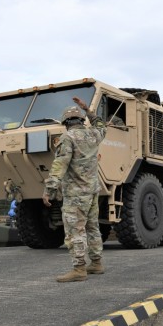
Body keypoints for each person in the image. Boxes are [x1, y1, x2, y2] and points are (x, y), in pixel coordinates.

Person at [43, 96, 107, 282]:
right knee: (93, 227)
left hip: (76, 194)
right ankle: (96, 263)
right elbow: (102, 126)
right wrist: (88, 109)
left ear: (65, 123)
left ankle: (79, 269)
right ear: (81, 120)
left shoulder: (67, 138)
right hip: (93, 190)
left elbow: (60, 165)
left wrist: (49, 189)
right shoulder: (93, 134)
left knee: (75, 230)